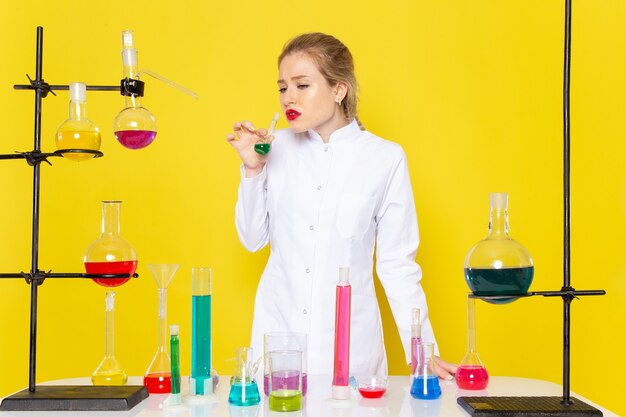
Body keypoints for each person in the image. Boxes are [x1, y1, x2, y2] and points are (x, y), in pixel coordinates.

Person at [227, 32, 456, 380]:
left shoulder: (385, 158)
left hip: (352, 352)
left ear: (338, 90)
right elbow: (251, 239)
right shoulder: (273, 147)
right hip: (278, 345)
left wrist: (423, 350)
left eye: (302, 85)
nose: (289, 97)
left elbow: (397, 265)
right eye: (283, 87)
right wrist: (252, 168)